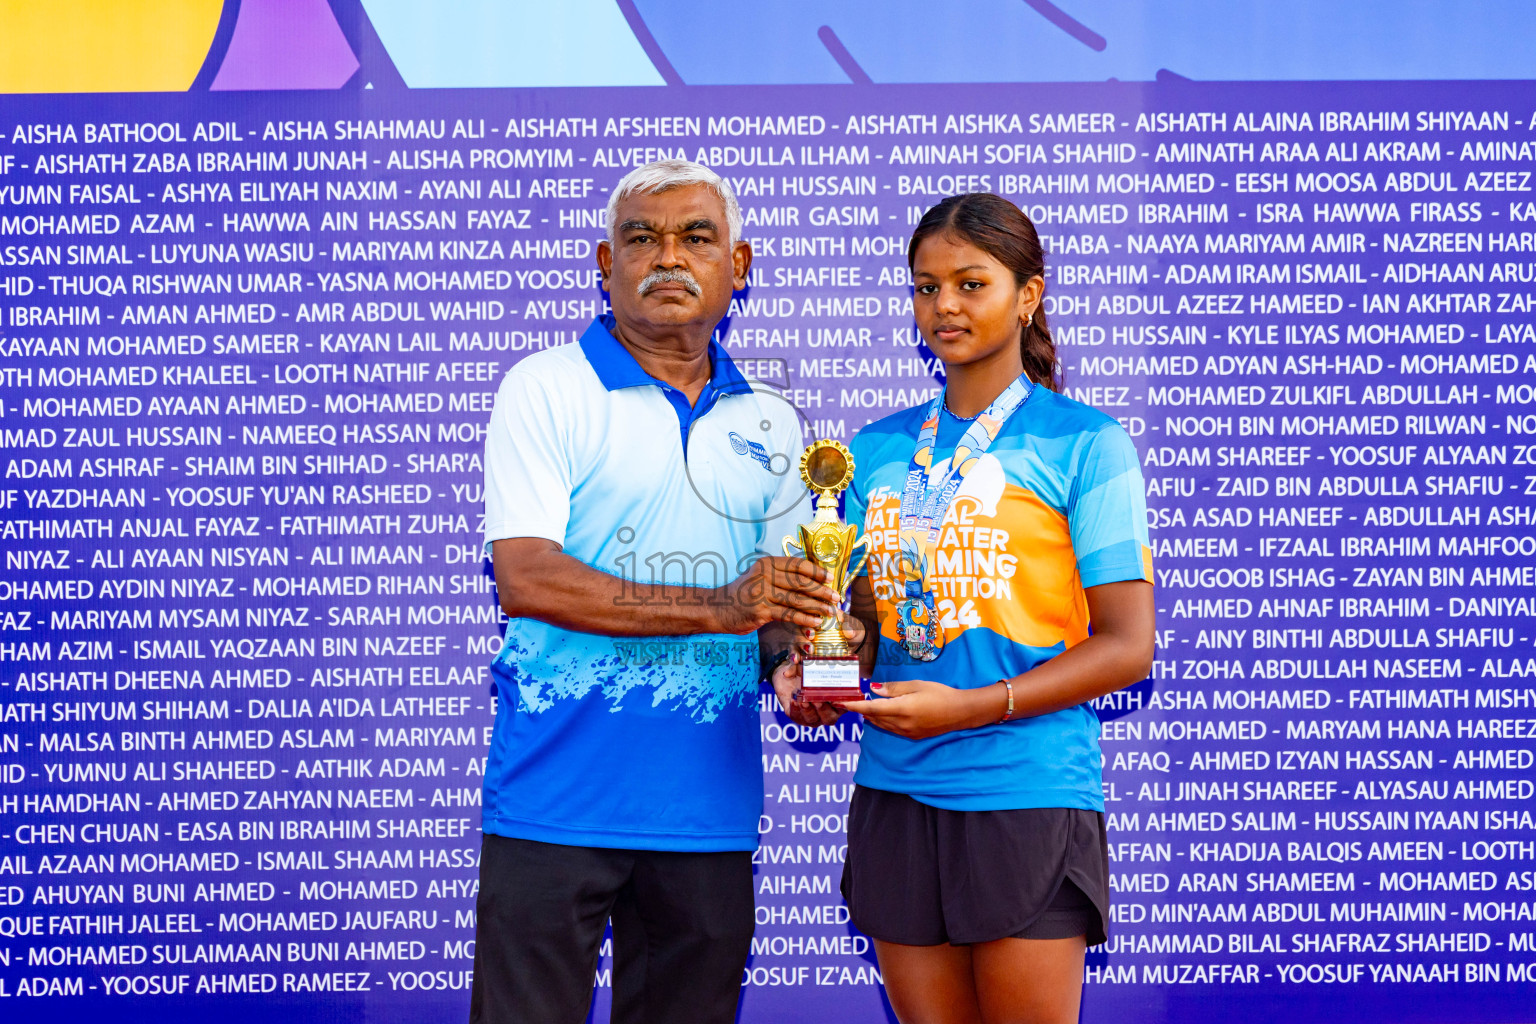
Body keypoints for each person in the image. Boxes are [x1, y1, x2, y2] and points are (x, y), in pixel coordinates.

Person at [772, 192, 1156, 1024]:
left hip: (1025, 791)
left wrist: (971, 709)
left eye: (970, 283)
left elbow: (1128, 649)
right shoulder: (872, 451)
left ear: (1028, 295)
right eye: (924, 286)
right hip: (896, 795)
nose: (943, 305)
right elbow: (869, 624)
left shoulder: (1086, 442)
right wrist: (821, 673)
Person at [475, 158, 836, 1024]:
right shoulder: (546, 386)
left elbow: (778, 611)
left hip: (706, 815)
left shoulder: (773, 423)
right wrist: (724, 608)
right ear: (606, 265)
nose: (667, 256)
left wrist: (795, 671)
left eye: (695, 238)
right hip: (553, 804)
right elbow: (528, 579)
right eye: (642, 238)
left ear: (738, 266)